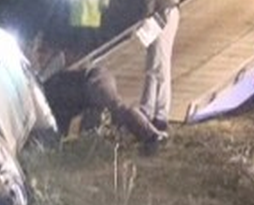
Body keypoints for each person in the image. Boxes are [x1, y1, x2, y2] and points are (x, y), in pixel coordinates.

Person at [28, 35, 167, 152]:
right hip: (83, 99)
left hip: (93, 80)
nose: (40, 57)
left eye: (43, 51)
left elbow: (70, 60)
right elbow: (58, 118)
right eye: (38, 52)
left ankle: (151, 135)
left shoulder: (53, 69)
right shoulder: (43, 81)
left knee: (116, 107)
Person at [104, 0, 181, 131]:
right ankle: (148, 109)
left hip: (164, 13)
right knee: (152, 64)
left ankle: (160, 115)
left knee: (160, 64)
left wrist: (145, 19)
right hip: (155, 16)